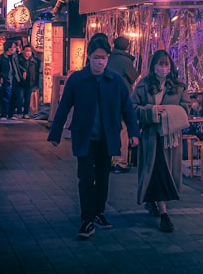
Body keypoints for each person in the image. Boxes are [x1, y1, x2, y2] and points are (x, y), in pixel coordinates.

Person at [48, 35, 138, 241]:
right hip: (85, 137)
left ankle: (98, 211)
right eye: (97, 57)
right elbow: (64, 107)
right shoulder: (77, 80)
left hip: (107, 137)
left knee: (104, 177)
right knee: (86, 178)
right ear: (89, 57)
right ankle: (86, 218)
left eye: (104, 58)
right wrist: (55, 134)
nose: (101, 61)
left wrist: (134, 133)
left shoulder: (115, 81)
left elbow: (128, 109)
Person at [130, 49, 191, 233]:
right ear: (153, 66)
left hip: (170, 139)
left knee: (165, 172)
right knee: (156, 171)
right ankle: (164, 214)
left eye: (166, 64)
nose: (163, 68)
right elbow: (132, 107)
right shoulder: (143, 85)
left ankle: (154, 202)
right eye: (160, 64)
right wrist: (150, 111)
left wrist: (168, 112)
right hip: (150, 137)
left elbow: (186, 109)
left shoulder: (179, 87)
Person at [107, 35, 139, 173]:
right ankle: (121, 162)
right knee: (123, 130)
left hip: (107, 98)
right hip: (121, 98)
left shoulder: (108, 58)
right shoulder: (125, 61)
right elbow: (132, 77)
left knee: (109, 129)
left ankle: (108, 159)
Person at [0, 40, 23, 120]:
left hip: (15, 79)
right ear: (9, 48)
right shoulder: (2, 57)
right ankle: (4, 114)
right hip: (6, 80)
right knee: (6, 97)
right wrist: (0, 77)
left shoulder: (14, 57)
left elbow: (17, 67)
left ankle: (11, 114)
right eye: (14, 47)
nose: (15, 49)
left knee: (15, 97)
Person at [15, 45, 41, 119]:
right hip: (21, 82)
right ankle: (19, 112)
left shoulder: (34, 61)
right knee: (20, 98)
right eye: (27, 50)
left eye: (29, 50)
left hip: (30, 83)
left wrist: (36, 83)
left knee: (27, 99)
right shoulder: (18, 60)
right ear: (23, 51)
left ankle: (26, 113)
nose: (28, 52)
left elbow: (36, 73)